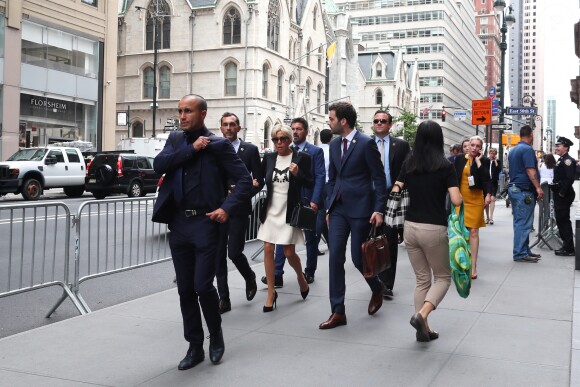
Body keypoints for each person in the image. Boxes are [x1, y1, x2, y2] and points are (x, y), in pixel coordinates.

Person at [152, 94, 253, 370]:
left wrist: (227, 208)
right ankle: (194, 346)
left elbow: (244, 180)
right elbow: (158, 166)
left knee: (202, 286)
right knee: (185, 290)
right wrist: (191, 149)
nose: (183, 116)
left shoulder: (219, 146)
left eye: (188, 111)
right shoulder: (175, 141)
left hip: (207, 223)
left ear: (203, 113)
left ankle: (216, 334)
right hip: (180, 225)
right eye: (180, 111)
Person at [392, 120, 462, 342]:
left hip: (410, 227)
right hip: (433, 227)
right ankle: (422, 315)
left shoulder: (409, 163)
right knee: (442, 277)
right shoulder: (445, 166)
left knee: (422, 279)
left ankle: (424, 329)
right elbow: (456, 199)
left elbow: (396, 189)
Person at [319, 102, 386, 330]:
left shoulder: (366, 144)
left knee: (359, 260)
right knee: (335, 257)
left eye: (331, 119)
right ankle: (338, 311)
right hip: (338, 209)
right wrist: (328, 206)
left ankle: (377, 288)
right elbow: (332, 178)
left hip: (361, 210)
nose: (329, 122)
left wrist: (378, 209)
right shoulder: (335, 144)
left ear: (343, 121)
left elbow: (378, 179)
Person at [262, 118, 325, 287]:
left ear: (306, 131)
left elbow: (318, 178)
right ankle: (277, 273)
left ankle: (309, 272)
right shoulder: (274, 156)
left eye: (299, 129)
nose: (296, 131)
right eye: (293, 128)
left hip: (307, 201)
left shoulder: (314, 152)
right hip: (285, 204)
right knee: (282, 241)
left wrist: (315, 201)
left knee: (311, 239)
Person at [257, 124, 312, 312]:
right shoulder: (269, 157)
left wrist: (298, 174)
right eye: (275, 139)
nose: (279, 143)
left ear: (289, 139)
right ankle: (271, 292)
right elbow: (260, 179)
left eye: (283, 139)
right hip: (271, 209)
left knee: (289, 253)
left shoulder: (301, 158)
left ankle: (301, 277)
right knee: (267, 248)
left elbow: (310, 182)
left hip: (289, 210)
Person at [216, 112, 265, 314]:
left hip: (239, 209)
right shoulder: (215, 149)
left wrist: (242, 192)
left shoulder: (250, 150)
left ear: (239, 128)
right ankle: (224, 300)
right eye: (225, 125)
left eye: (232, 124)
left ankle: (250, 277)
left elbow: (259, 180)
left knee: (234, 252)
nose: (228, 128)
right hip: (218, 208)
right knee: (218, 256)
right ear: (221, 128)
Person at [371, 110, 410, 300]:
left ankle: (386, 284)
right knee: (369, 239)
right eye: (376, 121)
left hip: (391, 197)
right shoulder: (365, 144)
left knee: (388, 240)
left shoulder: (401, 145)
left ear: (390, 124)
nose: (379, 123)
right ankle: (374, 279)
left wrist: (399, 187)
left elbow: (408, 169)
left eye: (383, 121)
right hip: (369, 197)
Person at [453, 136, 492, 279]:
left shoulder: (484, 161)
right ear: (468, 146)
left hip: (475, 200)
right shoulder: (459, 159)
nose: (474, 148)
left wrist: (478, 162)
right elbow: (453, 178)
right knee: (460, 233)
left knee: (473, 232)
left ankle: (473, 266)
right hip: (460, 200)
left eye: (477, 146)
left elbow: (485, 179)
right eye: (472, 145)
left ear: (481, 148)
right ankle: (461, 263)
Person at [507, 125, 544, 263]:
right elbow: (530, 170)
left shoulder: (514, 150)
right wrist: (538, 188)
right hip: (523, 190)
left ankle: (524, 250)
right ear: (531, 135)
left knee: (521, 221)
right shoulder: (527, 149)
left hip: (515, 189)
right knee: (523, 222)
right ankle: (520, 253)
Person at [552, 137, 576, 256]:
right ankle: (566, 246)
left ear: (566, 147)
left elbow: (570, 178)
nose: (556, 148)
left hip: (564, 195)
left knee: (564, 220)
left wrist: (562, 192)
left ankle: (569, 248)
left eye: (559, 146)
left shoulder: (568, 161)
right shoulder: (561, 159)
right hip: (560, 193)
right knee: (561, 220)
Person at [316, 128, 332, 251]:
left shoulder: (316, 150)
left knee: (322, 214)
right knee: (323, 215)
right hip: (328, 185)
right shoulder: (332, 151)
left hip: (319, 185)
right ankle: (314, 244)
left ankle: (330, 243)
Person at [485, 148, 502, 225]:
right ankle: (487, 217)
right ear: (489, 153)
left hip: (494, 182)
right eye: (491, 153)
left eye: (494, 153)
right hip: (486, 182)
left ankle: (491, 217)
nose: (492, 154)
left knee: (492, 199)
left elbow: (499, 170)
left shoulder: (497, 161)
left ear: (495, 154)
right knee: (487, 200)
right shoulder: (486, 161)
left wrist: (495, 161)